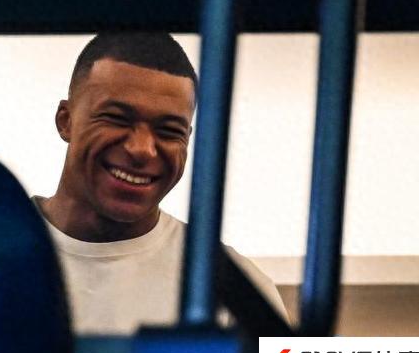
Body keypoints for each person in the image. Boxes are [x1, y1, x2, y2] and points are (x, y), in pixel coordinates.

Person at [34, 33, 288, 335]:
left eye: (168, 131)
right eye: (117, 119)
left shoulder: (235, 286)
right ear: (66, 120)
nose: (142, 149)